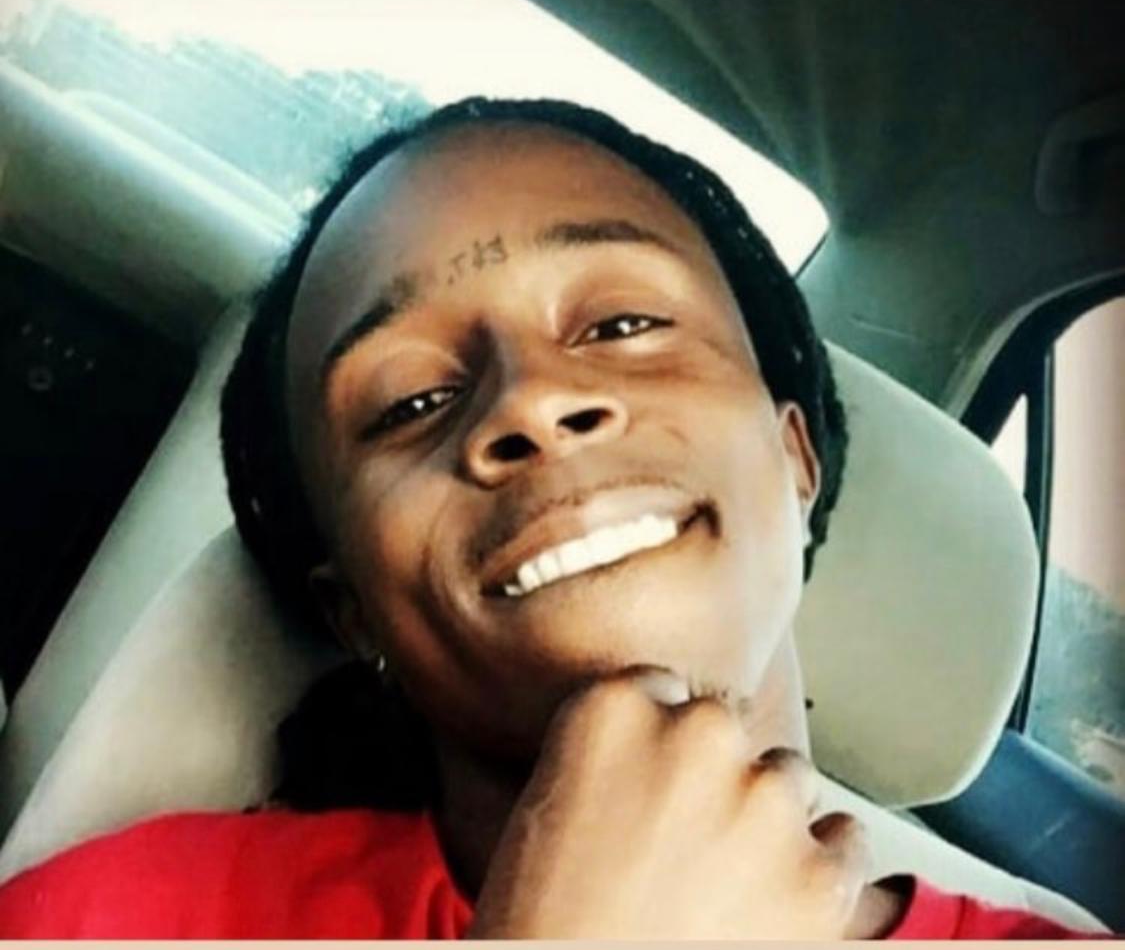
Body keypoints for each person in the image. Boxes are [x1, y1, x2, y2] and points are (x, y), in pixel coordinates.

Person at [0, 97, 1107, 938]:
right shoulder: (121, 918)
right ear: (354, 612)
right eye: (410, 402)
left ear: (794, 456)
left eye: (621, 323)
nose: (529, 400)